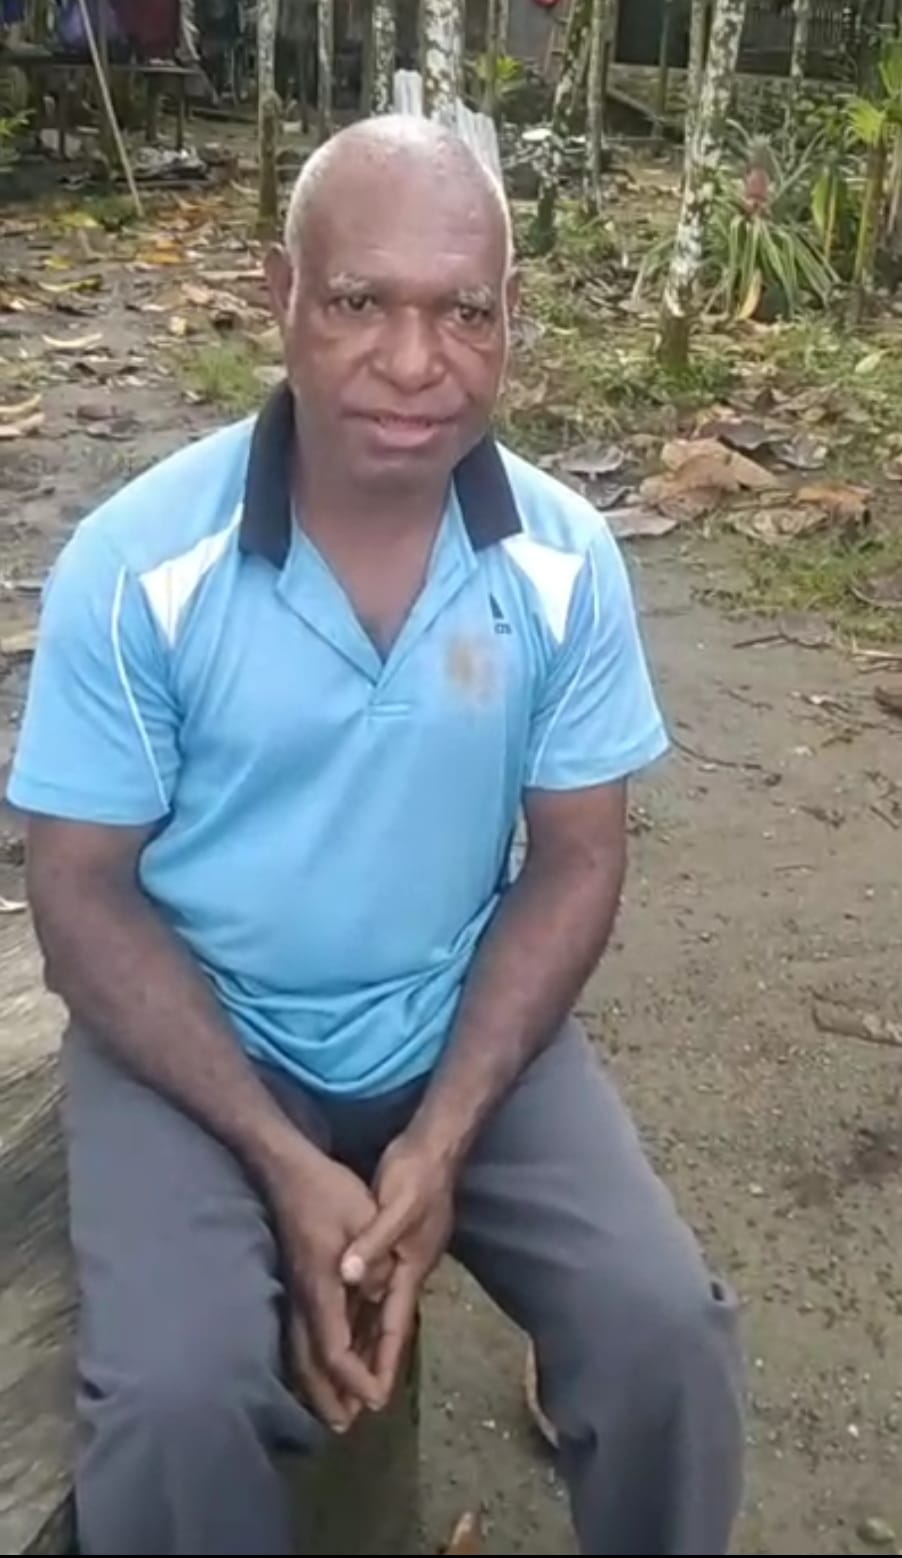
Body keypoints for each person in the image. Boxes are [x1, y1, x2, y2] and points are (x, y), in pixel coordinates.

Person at [6, 115, 744, 1556]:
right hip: (198, 1045)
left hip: (453, 1023)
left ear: (511, 319)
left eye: (464, 312)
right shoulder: (139, 565)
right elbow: (78, 894)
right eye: (359, 301)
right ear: (281, 296)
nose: (415, 362)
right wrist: (283, 1162)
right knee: (172, 1401)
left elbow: (579, 856)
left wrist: (447, 1132)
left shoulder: (560, 561)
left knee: (665, 1334)